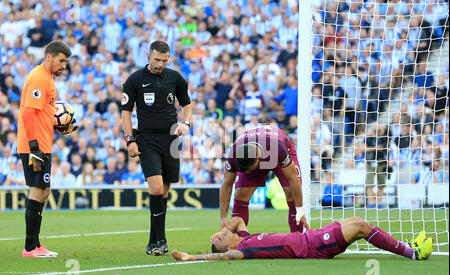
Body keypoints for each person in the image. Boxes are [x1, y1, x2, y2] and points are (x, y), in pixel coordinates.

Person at [121, 40, 192, 256]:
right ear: (148, 57)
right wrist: (129, 139)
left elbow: (186, 103)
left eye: (164, 60)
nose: (160, 64)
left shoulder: (175, 78)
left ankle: (154, 242)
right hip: (147, 140)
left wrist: (185, 123)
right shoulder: (135, 80)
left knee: (164, 194)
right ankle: (161, 241)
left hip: (170, 139)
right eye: (157, 59)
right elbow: (126, 111)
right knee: (157, 189)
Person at [17, 40, 75, 257]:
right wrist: (33, 146)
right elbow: (27, 113)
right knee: (38, 190)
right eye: (61, 61)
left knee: (43, 190)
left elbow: (40, 114)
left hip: (41, 144)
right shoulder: (39, 77)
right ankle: (30, 247)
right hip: (35, 146)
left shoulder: (48, 77)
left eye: (66, 62)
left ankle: (36, 245)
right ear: (49, 57)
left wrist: (60, 126)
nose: (64, 66)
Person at [171, 216, 433, 261]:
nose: (229, 232)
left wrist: (222, 228)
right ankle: (413, 253)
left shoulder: (245, 237)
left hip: (312, 236)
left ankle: (408, 246)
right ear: (226, 245)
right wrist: (192, 256)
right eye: (224, 236)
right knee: (362, 227)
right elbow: (223, 256)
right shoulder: (244, 251)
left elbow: (238, 222)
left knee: (356, 221)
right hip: (314, 246)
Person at [219, 124, 309, 233]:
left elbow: (293, 178)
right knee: (240, 195)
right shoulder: (234, 154)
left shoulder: (278, 148)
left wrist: (300, 209)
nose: (247, 173)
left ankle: (298, 240)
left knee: (292, 195)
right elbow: (226, 184)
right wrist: (223, 217)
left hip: (276, 154)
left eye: (249, 170)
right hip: (257, 149)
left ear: (258, 158)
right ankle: (238, 242)